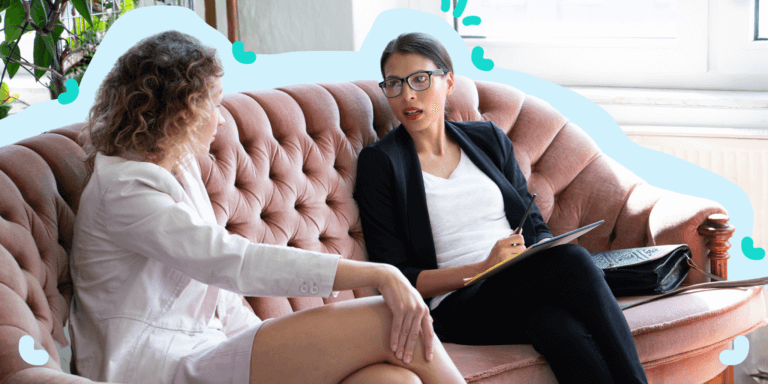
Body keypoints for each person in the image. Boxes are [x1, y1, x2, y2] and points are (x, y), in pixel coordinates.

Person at [69, 30, 466, 384]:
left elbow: (219, 296)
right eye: (214, 105)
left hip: (212, 346)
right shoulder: (124, 188)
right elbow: (232, 263)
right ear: (181, 113)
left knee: (390, 381)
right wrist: (382, 274)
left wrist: (281, 348)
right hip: (156, 365)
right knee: (388, 316)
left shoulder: (173, 162)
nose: (221, 120)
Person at [353, 32, 649, 384]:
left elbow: (534, 221)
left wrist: (530, 252)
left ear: (448, 82)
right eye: (394, 84)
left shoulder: (487, 139)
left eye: (420, 79)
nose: (408, 95)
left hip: (516, 284)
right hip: (456, 304)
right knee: (575, 261)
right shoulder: (381, 163)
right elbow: (400, 276)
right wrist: (484, 267)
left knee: (556, 327)